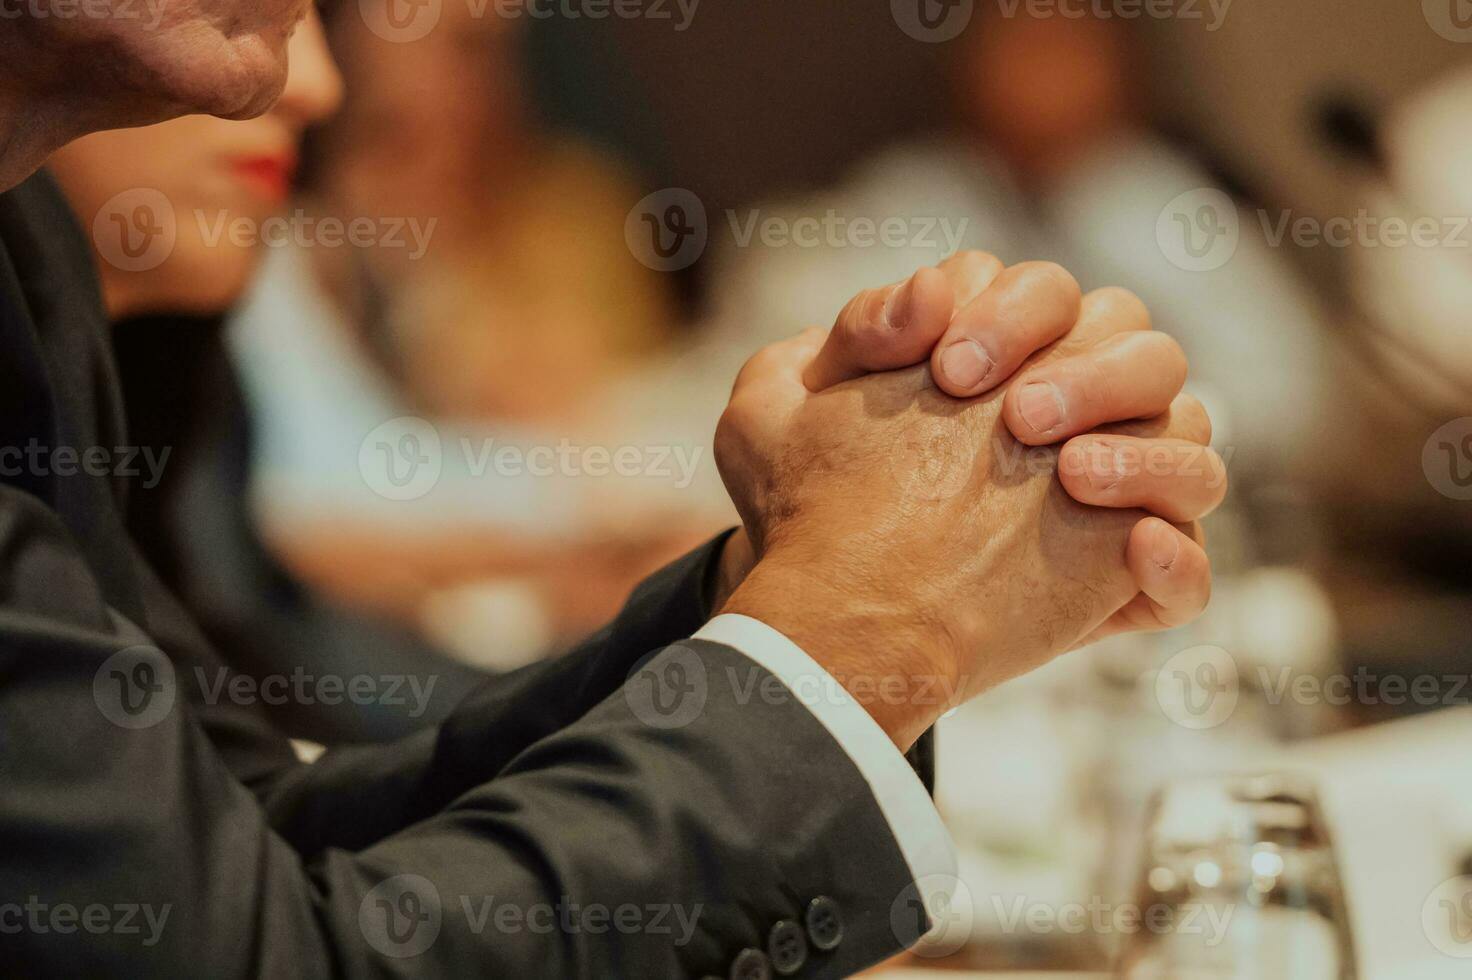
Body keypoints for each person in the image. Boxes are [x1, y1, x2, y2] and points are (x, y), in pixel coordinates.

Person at [0, 4, 1223, 977]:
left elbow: (256, 839)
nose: (321, 86)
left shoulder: (23, 257)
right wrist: (860, 633)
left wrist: (779, 588)